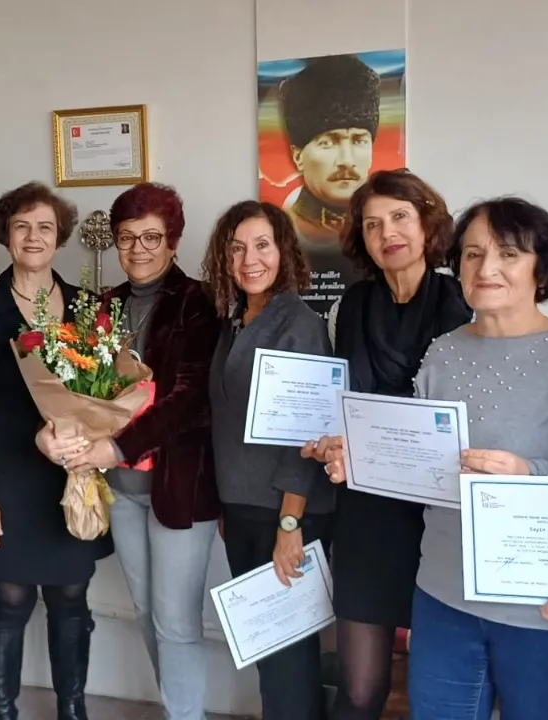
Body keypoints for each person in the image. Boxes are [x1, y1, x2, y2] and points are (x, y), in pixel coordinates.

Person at [301, 170, 548, 719]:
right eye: (474, 255)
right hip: (436, 574)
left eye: (508, 254)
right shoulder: (439, 350)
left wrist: (529, 472)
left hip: (533, 588)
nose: (487, 269)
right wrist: (352, 454)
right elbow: (418, 448)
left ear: (541, 267)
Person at [0, 182, 112, 720]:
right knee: (10, 598)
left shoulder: (89, 307)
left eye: (45, 226)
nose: (33, 236)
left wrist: (89, 443)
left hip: (71, 473)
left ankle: (73, 710)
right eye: (21, 226)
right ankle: (3, 714)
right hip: (5, 477)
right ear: (6, 235)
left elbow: (107, 392)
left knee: (71, 595)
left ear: (60, 236)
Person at [62, 183, 220, 720]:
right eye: (127, 238)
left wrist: (116, 445)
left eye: (151, 237)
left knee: (176, 621)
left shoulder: (199, 302)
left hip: (179, 488)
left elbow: (191, 399)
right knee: (148, 612)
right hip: (123, 490)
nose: (138, 249)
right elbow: (82, 387)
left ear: (173, 240)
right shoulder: (103, 305)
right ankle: (179, 709)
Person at [201, 200, 335, 719]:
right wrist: (227, 506)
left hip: (287, 511)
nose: (249, 260)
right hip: (243, 510)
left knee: (287, 655)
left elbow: (308, 432)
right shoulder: (234, 320)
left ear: (284, 252)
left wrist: (289, 524)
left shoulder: (299, 324)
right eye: (237, 249)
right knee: (267, 646)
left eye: (262, 246)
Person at [278, 54, 381, 318]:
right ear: (298, 156)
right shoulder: (280, 231)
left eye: (358, 140)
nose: (346, 160)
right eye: (328, 142)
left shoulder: (388, 233)